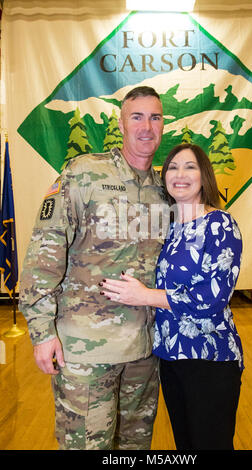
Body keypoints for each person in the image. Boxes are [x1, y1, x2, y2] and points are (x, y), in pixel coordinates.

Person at [18, 86, 166, 450]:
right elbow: (44, 252)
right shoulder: (84, 173)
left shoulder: (164, 189)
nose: (147, 126)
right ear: (121, 122)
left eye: (155, 117)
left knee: (134, 447)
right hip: (86, 352)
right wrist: (41, 331)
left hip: (144, 353)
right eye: (137, 116)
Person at [100, 143, 244, 450]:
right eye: (173, 168)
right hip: (170, 356)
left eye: (189, 167)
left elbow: (212, 298)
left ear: (204, 176)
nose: (180, 174)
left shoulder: (220, 224)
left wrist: (145, 296)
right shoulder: (167, 227)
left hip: (209, 358)